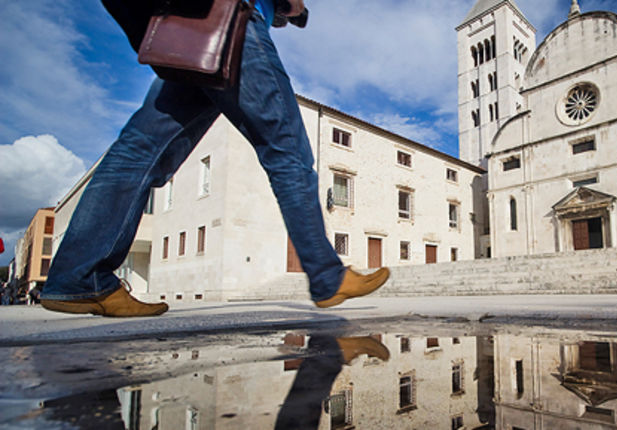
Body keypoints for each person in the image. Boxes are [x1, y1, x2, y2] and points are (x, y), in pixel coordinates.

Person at [40, 0, 389, 317]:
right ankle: (327, 277)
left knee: (140, 150)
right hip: (234, 25)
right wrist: (292, 7)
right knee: (287, 149)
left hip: (192, 35)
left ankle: (79, 277)